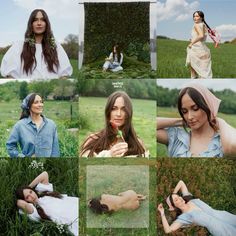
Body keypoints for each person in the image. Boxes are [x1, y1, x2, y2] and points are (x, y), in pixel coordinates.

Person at [157, 82, 236, 157]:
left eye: (195, 109)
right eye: (184, 112)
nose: (189, 117)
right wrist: (181, 122)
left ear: (207, 106)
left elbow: (231, 148)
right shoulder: (177, 138)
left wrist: (220, 121)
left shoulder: (222, 140)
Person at [0, 9, 72, 79]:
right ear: (31, 24)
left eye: (42, 20)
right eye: (35, 20)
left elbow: (64, 75)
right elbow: (10, 75)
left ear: (47, 24)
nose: (39, 23)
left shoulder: (55, 46)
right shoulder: (19, 46)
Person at [80, 91, 149, 157]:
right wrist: (108, 155)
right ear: (108, 112)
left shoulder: (138, 144)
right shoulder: (93, 140)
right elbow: (83, 167)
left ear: (129, 113)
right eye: (114, 108)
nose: (118, 114)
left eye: (123, 109)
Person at [157, 180, 236, 235]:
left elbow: (181, 182)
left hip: (224, 216)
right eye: (176, 200)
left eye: (179, 196)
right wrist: (162, 213)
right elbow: (168, 230)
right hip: (220, 229)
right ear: (174, 207)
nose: (180, 198)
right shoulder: (184, 216)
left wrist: (173, 193)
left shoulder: (191, 200)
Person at [16, 171, 78, 236]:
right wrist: (22, 197)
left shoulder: (43, 193)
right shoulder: (34, 210)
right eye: (27, 197)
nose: (32, 196)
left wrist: (28, 187)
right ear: (25, 200)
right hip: (69, 217)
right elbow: (20, 203)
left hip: (71, 205)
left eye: (31, 192)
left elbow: (44, 174)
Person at [6, 93, 60, 157]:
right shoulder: (20, 125)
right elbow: (10, 146)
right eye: (36, 102)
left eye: (41, 102)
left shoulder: (51, 125)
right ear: (28, 106)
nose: (40, 105)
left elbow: (55, 150)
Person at [186, 11, 213, 79]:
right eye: (194, 16)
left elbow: (201, 36)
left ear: (202, 17)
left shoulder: (197, 25)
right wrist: (193, 39)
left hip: (196, 49)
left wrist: (192, 43)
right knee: (203, 70)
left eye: (197, 16)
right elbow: (203, 37)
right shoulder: (203, 25)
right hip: (203, 49)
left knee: (194, 69)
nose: (195, 18)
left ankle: (194, 81)